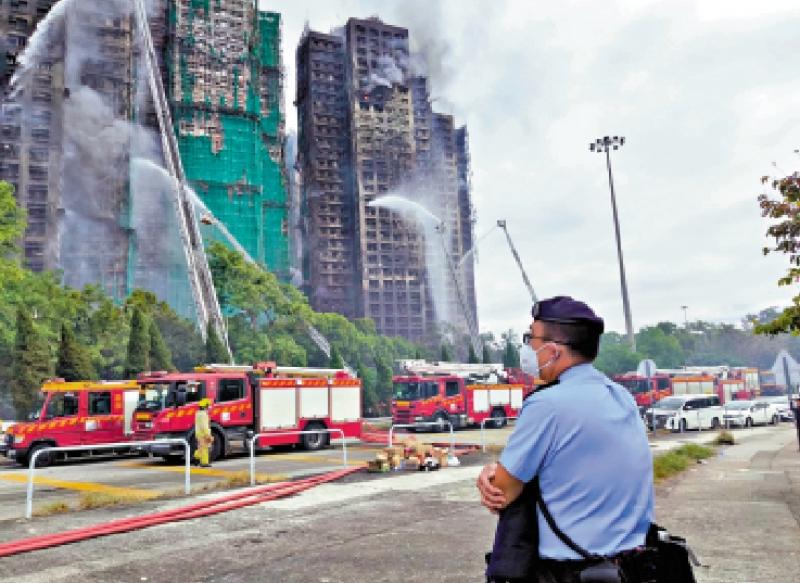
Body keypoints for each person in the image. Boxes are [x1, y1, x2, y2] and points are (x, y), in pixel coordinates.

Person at [477, 296, 654, 582]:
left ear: (553, 351)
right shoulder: (621, 396)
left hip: (570, 573)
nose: (528, 348)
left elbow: (501, 492)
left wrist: (490, 473)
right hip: (632, 568)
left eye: (531, 338)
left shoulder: (547, 405)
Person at [193, 398, 214, 468]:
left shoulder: (198, 413)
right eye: (208, 406)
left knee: (201, 447)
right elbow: (204, 426)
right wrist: (208, 434)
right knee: (205, 448)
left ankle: (196, 458)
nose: (209, 408)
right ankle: (204, 462)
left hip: (199, 433)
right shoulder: (203, 415)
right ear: (205, 406)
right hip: (203, 434)